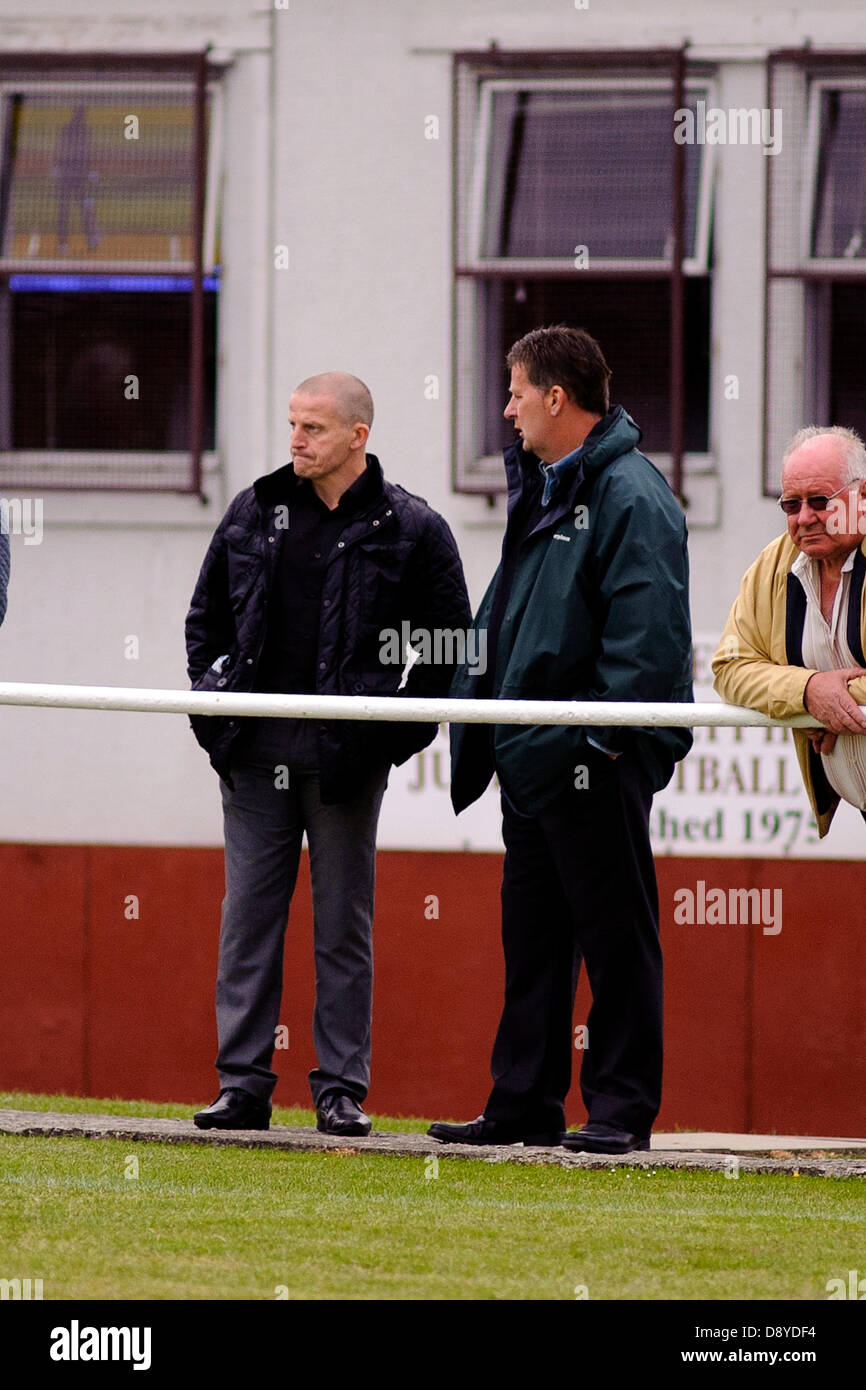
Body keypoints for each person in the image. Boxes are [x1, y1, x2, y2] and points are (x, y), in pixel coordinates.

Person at [427, 325, 693, 1155]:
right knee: (534, 944)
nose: (505, 409)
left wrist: (597, 745)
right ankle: (523, 1105)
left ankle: (618, 1112)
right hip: (535, 760)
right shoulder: (551, 487)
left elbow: (647, 641)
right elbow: (514, 619)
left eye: (514, 392)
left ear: (555, 396)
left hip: (587, 762)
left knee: (616, 942)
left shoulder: (631, 493)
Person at [186, 372, 471, 1135]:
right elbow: (205, 621)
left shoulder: (412, 527)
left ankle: (340, 1090)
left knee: (344, 924)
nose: (296, 440)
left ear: (357, 436)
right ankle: (242, 1085)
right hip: (254, 750)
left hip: (348, 757)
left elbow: (449, 647)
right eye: (292, 425)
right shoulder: (255, 508)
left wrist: (390, 737)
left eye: (312, 428)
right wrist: (215, 713)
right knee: (248, 917)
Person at [712, 425, 866, 835]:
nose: (804, 518)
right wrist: (807, 692)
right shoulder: (774, 564)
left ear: (862, 497)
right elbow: (729, 667)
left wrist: (829, 702)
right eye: (790, 504)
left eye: (820, 501)